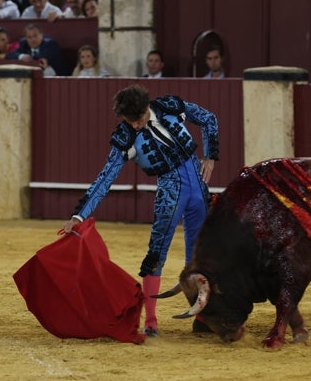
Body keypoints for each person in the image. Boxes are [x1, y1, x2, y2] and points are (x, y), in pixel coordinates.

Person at [62, 84, 219, 338]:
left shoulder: (169, 107)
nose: (135, 125)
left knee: (200, 254)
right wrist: (79, 215)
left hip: (199, 188)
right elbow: (105, 178)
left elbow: (208, 118)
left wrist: (211, 155)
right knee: (156, 253)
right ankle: (151, 321)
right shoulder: (125, 138)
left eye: (138, 119)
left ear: (147, 107)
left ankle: (202, 317)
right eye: (129, 120)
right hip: (170, 191)